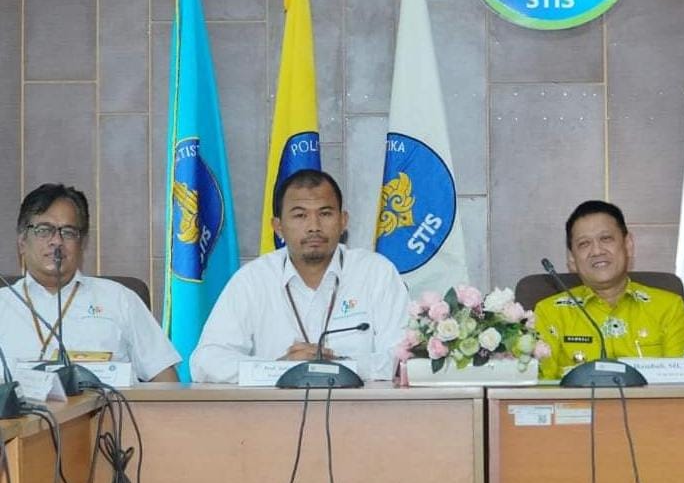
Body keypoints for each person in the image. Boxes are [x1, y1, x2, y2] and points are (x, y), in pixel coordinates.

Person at [190, 170, 409, 383]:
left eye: (325, 214)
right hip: (276, 408)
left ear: (343, 221)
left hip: (358, 406)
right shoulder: (253, 279)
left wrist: (339, 367)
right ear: (278, 227)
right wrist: (279, 369)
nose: (314, 227)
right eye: (300, 215)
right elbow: (205, 362)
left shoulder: (376, 272)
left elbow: (404, 356)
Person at [0, 184, 180, 382]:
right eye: (44, 230)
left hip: (108, 404)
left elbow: (165, 380)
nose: (57, 241)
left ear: (82, 243)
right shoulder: (3, 304)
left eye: (68, 232)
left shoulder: (120, 299)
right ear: (22, 242)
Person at [534, 200, 684, 379]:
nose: (597, 251)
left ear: (628, 245)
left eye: (606, 239)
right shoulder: (548, 313)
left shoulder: (669, 308)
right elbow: (542, 387)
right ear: (571, 258)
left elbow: (679, 384)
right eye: (584, 244)